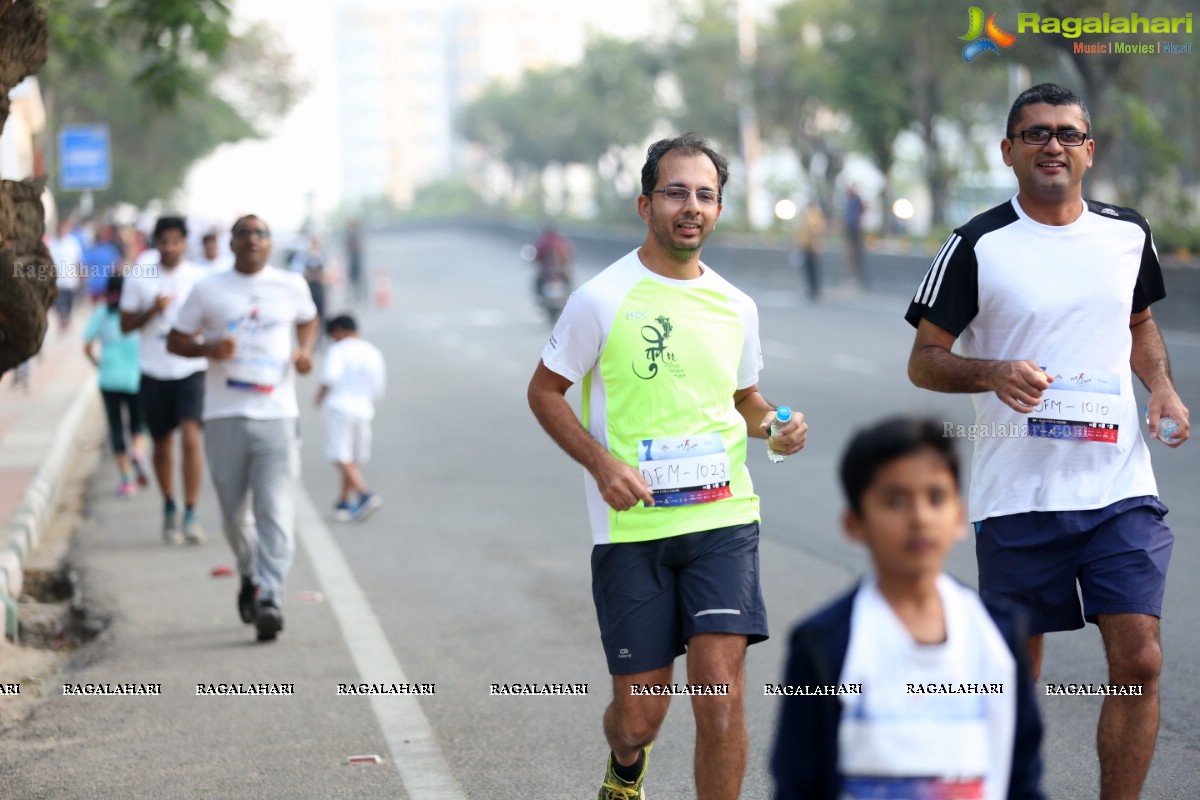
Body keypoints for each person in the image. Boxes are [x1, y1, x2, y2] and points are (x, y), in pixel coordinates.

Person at [904, 83, 1189, 799]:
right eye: (1035, 134)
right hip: (1019, 496)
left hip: (1118, 486)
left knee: (1141, 659)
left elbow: (1139, 324)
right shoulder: (975, 245)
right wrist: (993, 372)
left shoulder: (1128, 234)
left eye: (1067, 132)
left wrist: (1161, 388)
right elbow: (925, 359)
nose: (1052, 144)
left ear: (1088, 150)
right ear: (1008, 151)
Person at [527, 133, 808, 800]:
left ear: (718, 208)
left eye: (705, 195)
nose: (692, 206)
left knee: (718, 699)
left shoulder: (737, 305)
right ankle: (626, 765)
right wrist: (601, 465)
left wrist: (776, 426)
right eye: (676, 192)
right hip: (631, 532)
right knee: (640, 718)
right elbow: (544, 391)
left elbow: (744, 399)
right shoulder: (602, 297)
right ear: (645, 203)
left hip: (723, 519)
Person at [771, 417, 1045, 800]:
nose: (919, 518)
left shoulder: (999, 633)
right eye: (895, 501)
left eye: (935, 497)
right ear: (855, 524)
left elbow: (1022, 778)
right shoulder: (823, 644)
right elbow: (799, 783)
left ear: (957, 516)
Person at [168, 214, 318, 643]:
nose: (252, 239)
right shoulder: (208, 289)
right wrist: (208, 348)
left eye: (260, 233)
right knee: (234, 516)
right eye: (243, 233)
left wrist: (304, 351)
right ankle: (250, 572)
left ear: (270, 244)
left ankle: (271, 596)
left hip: (277, 414)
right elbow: (175, 339)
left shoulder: (290, 285)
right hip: (224, 415)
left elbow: (308, 319)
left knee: (275, 509)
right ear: (231, 243)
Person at [119, 216, 209, 545]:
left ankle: (191, 511)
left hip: (191, 369)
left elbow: (211, 320)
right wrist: (153, 311)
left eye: (176, 241)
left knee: (190, 437)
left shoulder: (199, 277)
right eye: (164, 241)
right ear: (155, 242)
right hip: (154, 371)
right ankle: (169, 504)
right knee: (162, 445)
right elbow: (126, 325)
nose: (169, 248)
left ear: (185, 243)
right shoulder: (141, 274)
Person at [315, 314, 386, 523]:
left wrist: (319, 396)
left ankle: (364, 494)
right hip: (364, 408)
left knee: (340, 455)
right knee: (352, 456)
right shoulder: (373, 352)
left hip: (340, 407)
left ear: (337, 331)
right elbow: (378, 388)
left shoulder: (339, 350)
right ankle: (344, 502)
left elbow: (330, 377)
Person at [83, 276, 149, 497]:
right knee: (138, 425)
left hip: (109, 378)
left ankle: (126, 480)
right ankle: (138, 451)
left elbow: (86, 346)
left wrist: (98, 364)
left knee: (116, 428)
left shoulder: (102, 314)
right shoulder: (135, 314)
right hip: (135, 378)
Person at [50, 219, 84, 334]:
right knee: (58, 303)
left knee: (69, 303)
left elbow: (78, 259)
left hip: (70, 279)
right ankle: (61, 318)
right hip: (56, 280)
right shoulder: (52, 243)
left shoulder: (72, 243)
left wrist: (81, 273)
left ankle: (66, 318)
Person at [792, 200, 826, 301]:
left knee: (813, 269)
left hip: (812, 247)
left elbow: (817, 231)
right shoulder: (806, 216)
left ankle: (815, 289)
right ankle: (811, 289)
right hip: (804, 247)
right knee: (807, 269)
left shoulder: (815, 216)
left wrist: (817, 243)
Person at [532, 224, 573, 308]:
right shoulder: (563, 242)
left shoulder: (543, 242)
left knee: (538, 281)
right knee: (569, 282)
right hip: (560, 270)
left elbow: (537, 256)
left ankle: (541, 298)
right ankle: (568, 298)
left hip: (549, 271)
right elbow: (569, 256)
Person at [842, 185, 866, 287]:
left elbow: (862, 210)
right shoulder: (848, 201)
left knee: (857, 252)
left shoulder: (857, 200)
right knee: (850, 252)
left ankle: (857, 274)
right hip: (850, 229)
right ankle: (851, 274)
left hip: (855, 228)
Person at [345, 220, 365, 305]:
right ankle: (353, 296)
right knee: (351, 280)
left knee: (358, 280)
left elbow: (359, 245)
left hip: (357, 261)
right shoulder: (349, 235)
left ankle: (359, 296)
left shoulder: (358, 234)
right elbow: (346, 246)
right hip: (352, 261)